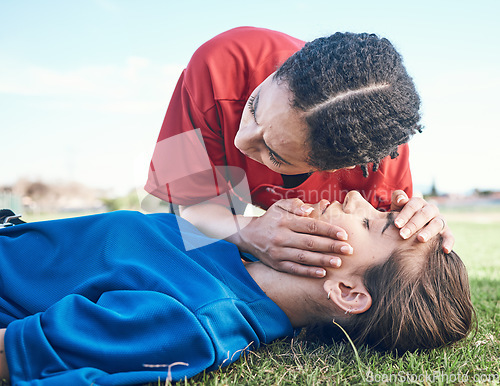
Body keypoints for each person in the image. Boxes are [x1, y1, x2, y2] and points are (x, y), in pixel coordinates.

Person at [0, 192, 473, 385]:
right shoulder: (245, 247)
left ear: (348, 292)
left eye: (371, 220)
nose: (353, 196)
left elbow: (19, 355)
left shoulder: (195, 322)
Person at [145, 27, 454, 278]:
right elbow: (193, 209)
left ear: (339, 167)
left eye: (274, 154)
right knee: (197, 259)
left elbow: (389, 260)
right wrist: (249, 233)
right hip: (212, 215)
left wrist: (426, 233)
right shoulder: (220, 64)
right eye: (253, 106)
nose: (240, 141)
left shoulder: (378, 157)